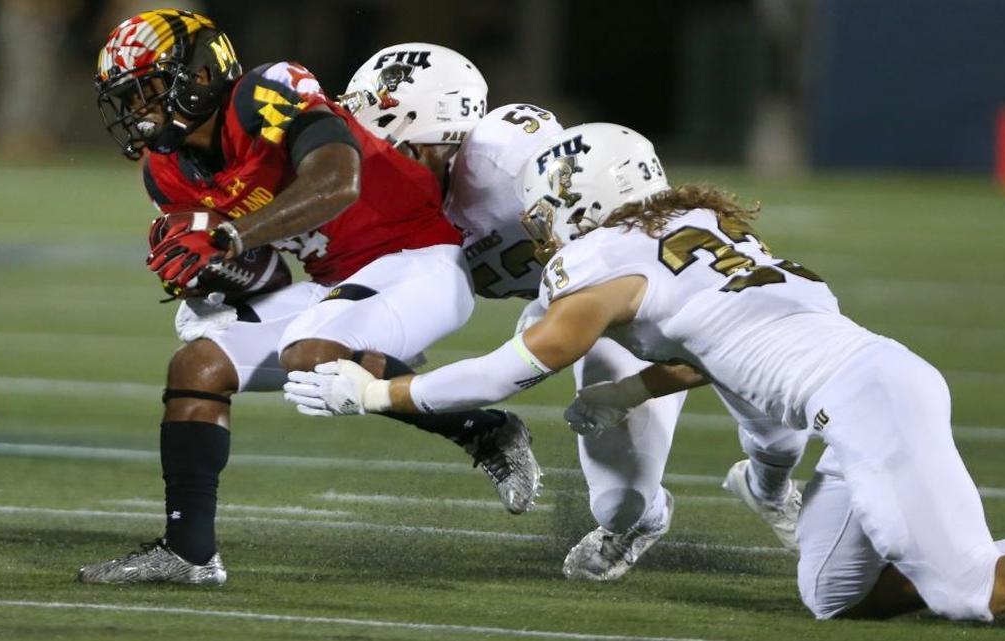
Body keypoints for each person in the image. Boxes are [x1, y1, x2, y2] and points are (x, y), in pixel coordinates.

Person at [285, 122, 1005, 621]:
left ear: (575, 200)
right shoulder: (706, 230)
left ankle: (962, 551)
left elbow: (513, 370)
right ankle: (953, 536)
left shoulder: (601, 257)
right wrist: (632, 388)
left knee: (965, 589)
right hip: (860, 395)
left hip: (866, 399)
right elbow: (729, 358)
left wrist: (379, 390)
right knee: (834, 593)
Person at [78, 11, 539, 586]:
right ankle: (188, 552)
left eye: (147, 89)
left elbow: (337, 181)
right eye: (128, 96)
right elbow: (266, 274)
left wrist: (231, 236)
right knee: (198, 364)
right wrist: (210, 271)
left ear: (197, 75)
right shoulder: (167, 172)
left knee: (308, 349)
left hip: (419, 259)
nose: (138, 109)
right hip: (336, 281)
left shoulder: (263, 93)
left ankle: (485, 429)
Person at [340, 57, 802, 580]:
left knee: (781, 428)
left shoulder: (507, 156)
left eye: (374, 138)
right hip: (579, 306)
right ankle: (644, 518)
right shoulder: (368, 201)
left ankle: (772, 488)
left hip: (630, 291)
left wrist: (377, 393)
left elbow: (613, 186)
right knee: (619, 504)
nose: (362, 154)